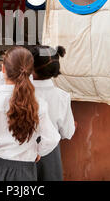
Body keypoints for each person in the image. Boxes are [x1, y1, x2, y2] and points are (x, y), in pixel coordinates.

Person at [0, 46, 60, 181]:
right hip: (27, 170)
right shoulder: (39, 104)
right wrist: (38, 151)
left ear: (3, 69)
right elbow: (52, 139)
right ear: (30, 72)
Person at [29, 45, 76, 181]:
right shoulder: (62, 97)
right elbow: (67, 132)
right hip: (50, 155)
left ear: (30, 68)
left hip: (20, 152)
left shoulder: (19, 93)